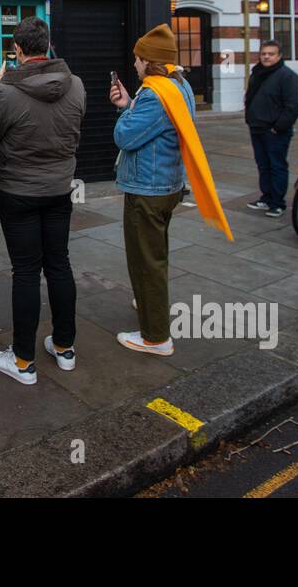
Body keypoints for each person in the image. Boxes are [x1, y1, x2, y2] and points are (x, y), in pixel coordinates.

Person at [0, 16, 86, 386]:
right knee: (59, 264)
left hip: (19, 192)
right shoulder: (78, 86)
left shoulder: (6, 92)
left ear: (18, 50)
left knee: (25, 271)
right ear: (47, 45)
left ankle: (23, 361)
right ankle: (64, 347)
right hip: (59, 189)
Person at [111, 24, 231, 355]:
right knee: (155, 255)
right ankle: (150, 305)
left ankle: (155, 337)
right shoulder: (180, 86)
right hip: (167, 184)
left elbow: (125, 137)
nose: (133, 64)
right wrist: (131, 102)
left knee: (146, 259)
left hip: (147, 190)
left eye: (137, 59)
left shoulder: (154, 95)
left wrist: (124, 110)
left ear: (148, 61)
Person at [243, 39, 298, 218]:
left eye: (270, 54)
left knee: (277, 166)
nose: (266, 57)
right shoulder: (258, 73)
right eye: (263, 54)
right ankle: (266, 197)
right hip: (257, 127)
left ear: (279, 56)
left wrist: (278, 126)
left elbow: (293, 106)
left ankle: (278, 203)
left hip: (275, 131)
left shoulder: (288, 77)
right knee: (263, 165)